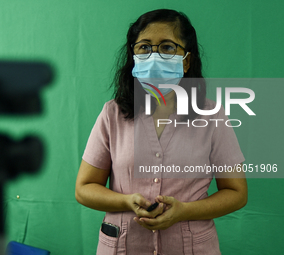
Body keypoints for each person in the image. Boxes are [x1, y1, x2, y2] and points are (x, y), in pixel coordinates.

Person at [75, 9, 247, 255]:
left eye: (167, 47)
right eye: (144, 47)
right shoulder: (112, 113)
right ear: (134, 57)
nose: (153, 57)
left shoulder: (212, 115)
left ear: (186, 61)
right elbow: (84, 188)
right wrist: (125, 201)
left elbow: (237, 193)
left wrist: (184, 211)